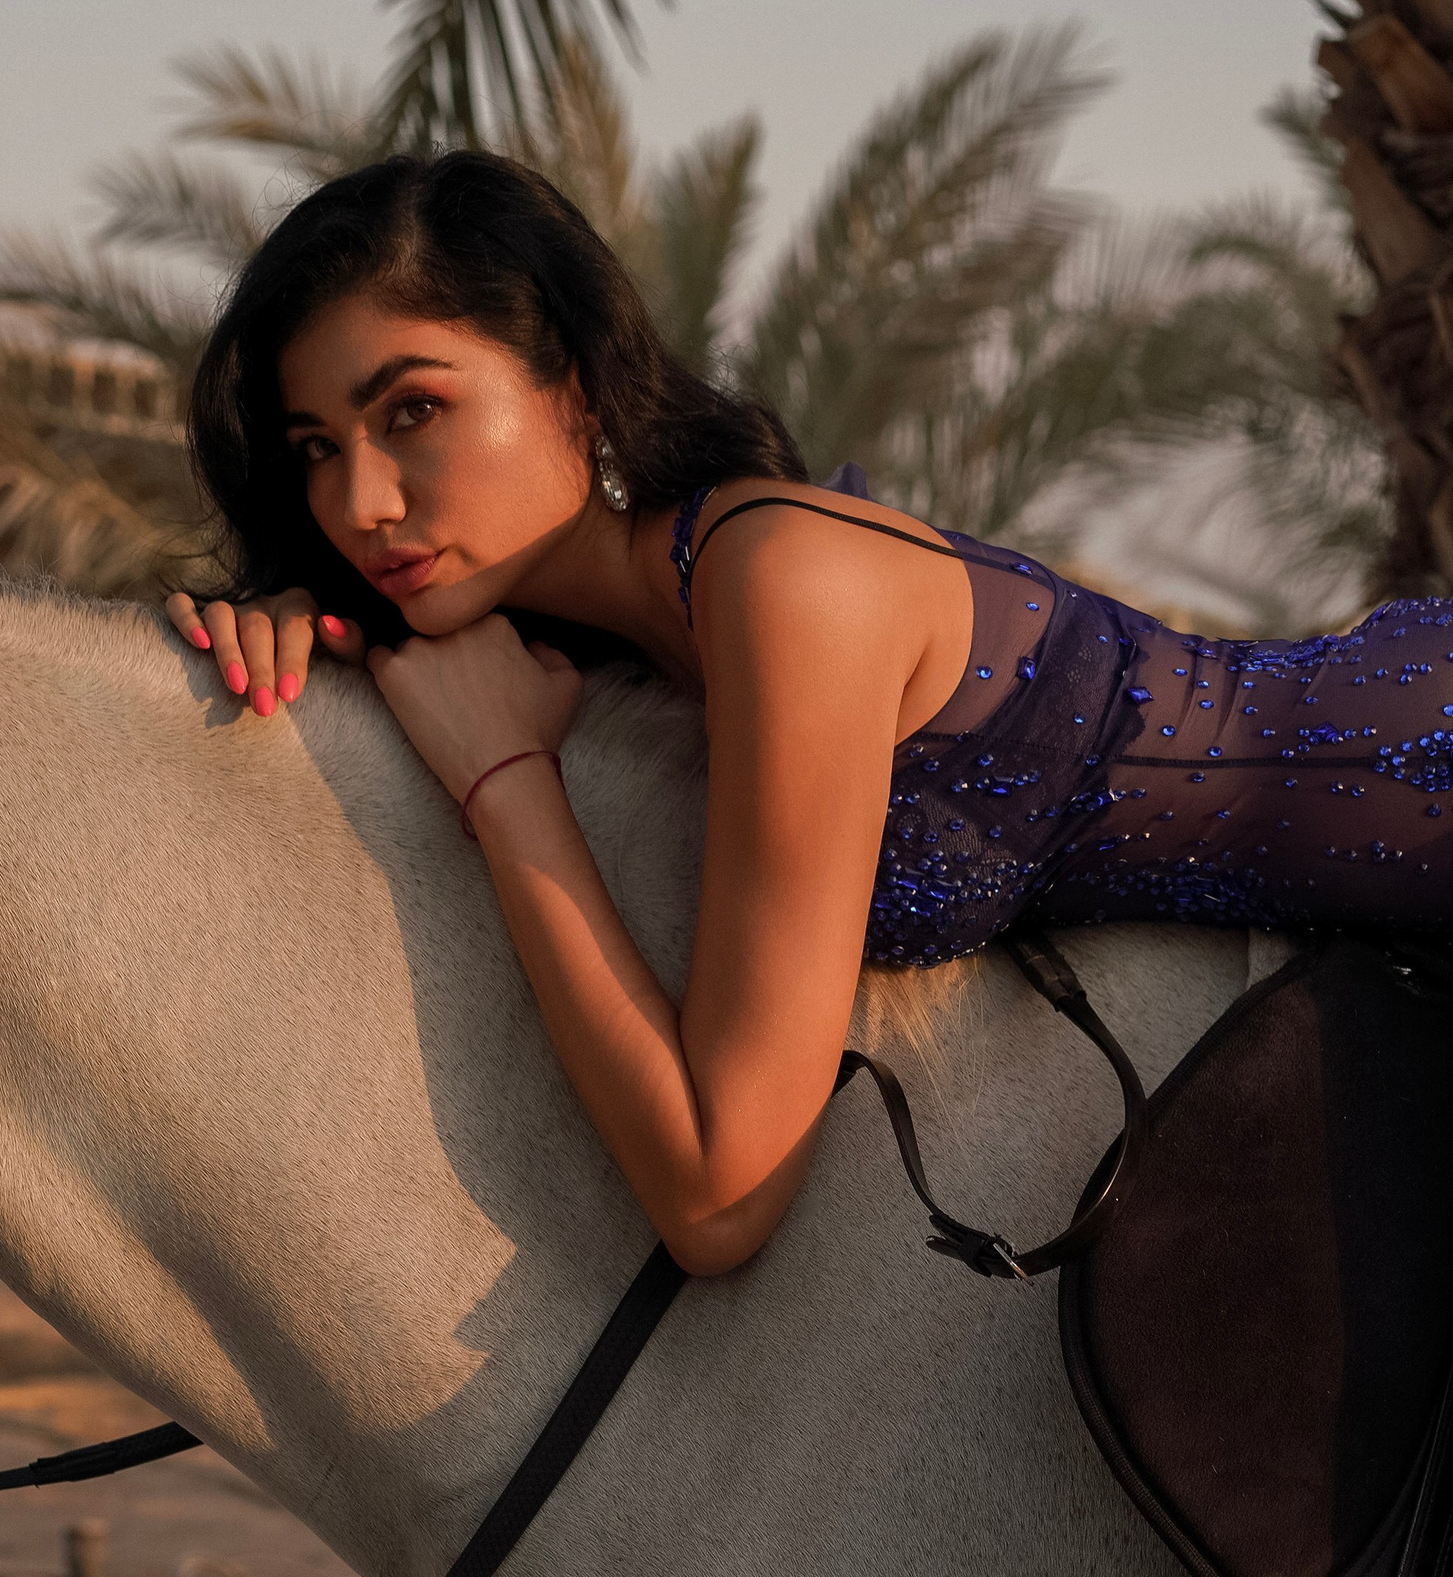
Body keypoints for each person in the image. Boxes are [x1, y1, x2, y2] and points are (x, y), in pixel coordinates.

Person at [168, 151, 1453, 1275]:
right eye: (315, 449)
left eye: (413, 411)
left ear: (576, 382)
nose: (362, 505)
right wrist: (301, 647)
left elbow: (720, 1195)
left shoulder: (783, 580)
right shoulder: (666, 632)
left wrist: (508, 782)